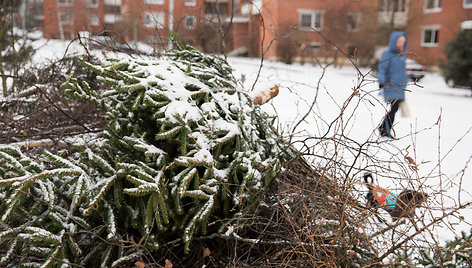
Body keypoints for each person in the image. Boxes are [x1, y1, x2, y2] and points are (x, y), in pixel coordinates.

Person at [377, 31, 408, 138]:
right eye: (399, 41)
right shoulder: (387, 54)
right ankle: (384, 129)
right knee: (394, 108)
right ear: (393, 41)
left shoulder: (402, 55)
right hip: (390, 86)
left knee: (394, 109)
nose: (401, 44)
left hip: (400, 88)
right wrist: (381, 81)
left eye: (403, 42)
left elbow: (402, 71)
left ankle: (383, 129)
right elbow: (382, 69)